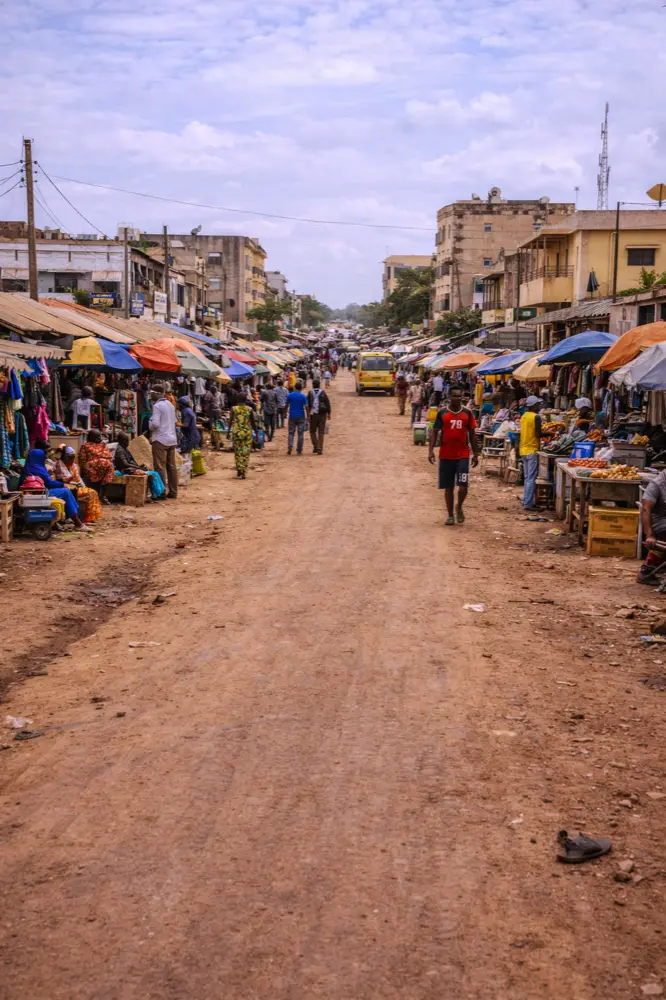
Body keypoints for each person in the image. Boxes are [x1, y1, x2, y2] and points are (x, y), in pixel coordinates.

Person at [428, 387, 479, 525]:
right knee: (448, 487)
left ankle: (459, 506)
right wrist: (431, 450)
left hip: (462, 454)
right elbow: (435, 432)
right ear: (449, 397)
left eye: (460, 396)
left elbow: (473, 434)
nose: (457, 398)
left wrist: (476, 454)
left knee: (463, 486)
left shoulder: (468, 413)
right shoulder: (442, 413)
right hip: (445, 455)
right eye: (455, 396)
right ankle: (450, 515)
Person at [19, 444, 91, 531]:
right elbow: (49, 483)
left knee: (66, 491)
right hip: (40, 493)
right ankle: (78, 523)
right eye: (43, 456)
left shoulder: (30, 467)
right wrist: (62, 484)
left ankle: (75, 518)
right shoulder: (38, 469)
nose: (45, 458)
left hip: (39, 492)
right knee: (66, 492)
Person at [54, 445, 103, 522]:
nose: (72, 460)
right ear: (66, 457)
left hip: (76, 486)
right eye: (71, 458)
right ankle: (87, 519)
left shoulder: (73, 465)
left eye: (73, 457)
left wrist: (83, 486)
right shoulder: (59, 465)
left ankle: (90, 517)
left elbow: (78, 479)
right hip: (67, 487)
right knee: (91, 493)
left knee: (92, 492)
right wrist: (74, 481)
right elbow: (64, 479)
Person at [113, 431, 166, 501]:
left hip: (129, 469)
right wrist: (138, 468)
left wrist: (139, 466)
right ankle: (158, 493)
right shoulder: (119, 450)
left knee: (154, 473)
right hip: (125, 471)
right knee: (153, 474)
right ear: (122, 441)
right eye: (126, 441)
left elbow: (131, 460)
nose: (128, 443)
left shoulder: (124, 448)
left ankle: (159, 493)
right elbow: (125, 464)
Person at [149, 383, 178, 500]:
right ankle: (173, 491)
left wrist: (149, 424)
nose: (150, 396)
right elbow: (174, 421)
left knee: (159, 466)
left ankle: (161, 493)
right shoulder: (170, 405)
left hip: (160, 439)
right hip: (171, 438)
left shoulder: (157, 406)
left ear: (156, 394)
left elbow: (155, 424)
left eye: (151, 394)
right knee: (171, 467)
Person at [78, 429, 115, 503]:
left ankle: (103, 496)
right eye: (97, 437)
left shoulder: (103, 445)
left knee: (110, 467)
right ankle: (98, 496)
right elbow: (82, 460)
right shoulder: (85, 446)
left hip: (105, 467)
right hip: (92, 467)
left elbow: (109, 456)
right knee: (103, 464)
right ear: (92, 438)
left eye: (100, 436)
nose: (100, 438)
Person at [519, 395, 542, 511]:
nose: (539, 406)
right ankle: (528, 504)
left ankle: (525, 500)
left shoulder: (524, 416)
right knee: (531, 478)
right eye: (537, 405)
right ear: (533, 406)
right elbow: (538, 434)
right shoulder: (536, 417)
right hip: (532, 449)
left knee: (527, 477)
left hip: (523, 449)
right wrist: (549, 434)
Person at [229, 390, 257, 479]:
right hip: (246, 433)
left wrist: (228, 431)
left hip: (236, 433)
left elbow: (230, 421)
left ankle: (239, 471)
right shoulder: (249, 409)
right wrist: (256, 433)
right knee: (245, 452)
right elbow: (253, 423)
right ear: (245, 399)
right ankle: (243, 471)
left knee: (237, 452)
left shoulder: (234, 409)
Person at [308, 378, 332, 455]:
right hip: (322, 414)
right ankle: (319, 448)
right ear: (319, 385)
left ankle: (315, 445)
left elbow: (307, 404)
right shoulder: (323, 392)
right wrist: (329, 413)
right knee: (321, 432)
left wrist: (308, 415)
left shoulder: (310, 393)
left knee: (312, 431)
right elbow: (327, 403)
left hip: (313, 414)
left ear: (313, 385)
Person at [286, 380, 309, 456]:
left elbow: (286, 404)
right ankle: (299, 450)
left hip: (292, 416)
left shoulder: (290, 395)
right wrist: (308, 416)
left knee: (291, 433)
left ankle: (290, 447)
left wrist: (285, 412)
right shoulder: (303, 396)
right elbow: (306, 407)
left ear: (295, 387)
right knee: (300, 434)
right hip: (301, 416)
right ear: (301, 388)